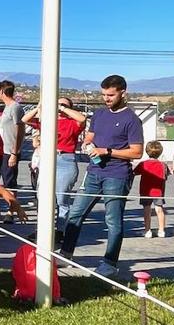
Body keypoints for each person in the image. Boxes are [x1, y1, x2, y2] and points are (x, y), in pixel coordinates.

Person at [58, 74, 144, 278]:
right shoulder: (99, 114)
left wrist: (108, 151)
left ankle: (110, 262)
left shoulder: (132, 120)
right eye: (104, 94)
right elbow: (91, 136)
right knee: (75, 213)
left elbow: (137, 152)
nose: (107, 98)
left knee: (113, 220)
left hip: (117, 174)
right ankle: (65, 254)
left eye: (111, 95)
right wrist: (87, 143)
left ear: (123, 93)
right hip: (94, 172)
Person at [20, 97, 86, 232]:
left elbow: (82, 119)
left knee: (61, 198)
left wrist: (62, 108)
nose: (59, 107)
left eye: (63, 104)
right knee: (43, 197)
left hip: (65, 159)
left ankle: (61, 231)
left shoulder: (73, 123)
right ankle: (43, 230)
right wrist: (39, 106)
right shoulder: (48, 121)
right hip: (47, 158)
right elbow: (24, 119)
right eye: (58, 104)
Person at [0, 81, 25, 196]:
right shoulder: (7, 108)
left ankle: (12, 207)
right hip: (2, 150)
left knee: (9, 181)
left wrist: (14, 153)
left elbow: (20, 130)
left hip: (10, 151)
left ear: (2, 91)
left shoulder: (15, 107)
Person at [133, 141, 169, 238]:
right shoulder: (163, 165)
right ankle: (161, 230)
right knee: (160, 210)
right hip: (159, 191)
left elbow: (134, 172)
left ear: (147, 151)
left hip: (146, 191)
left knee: (146, 210)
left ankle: (147, 230)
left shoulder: (143, 164)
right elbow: (166, 175)